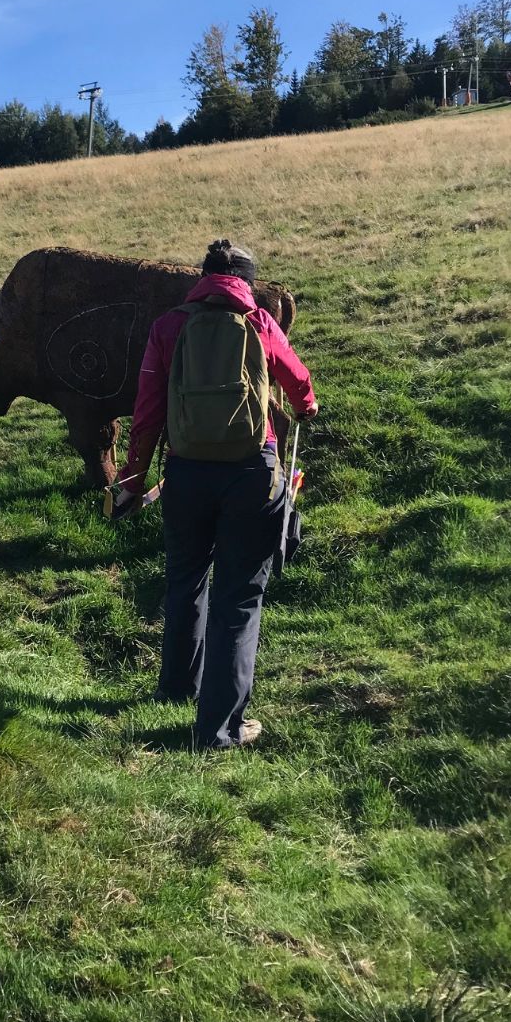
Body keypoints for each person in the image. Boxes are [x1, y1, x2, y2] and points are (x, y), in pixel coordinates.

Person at [114, 238, 318, 750]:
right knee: (239, 597)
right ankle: (220, 730)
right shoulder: (260, 324)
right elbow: (298, 380)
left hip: (185, 475)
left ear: (201, 279)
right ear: (248, 283)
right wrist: (307, 405)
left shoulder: (168, 327)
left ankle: (177, 689)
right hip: (252, 473)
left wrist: (133, 481)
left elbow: (146, 413)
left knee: (185, 580)